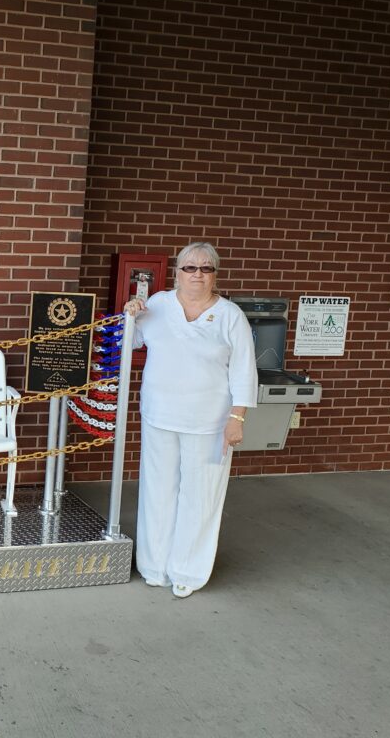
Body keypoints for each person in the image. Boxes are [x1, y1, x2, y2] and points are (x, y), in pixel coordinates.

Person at [123, 242, 257, 598]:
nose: (197, 274)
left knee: (200, 497)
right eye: (190, 267)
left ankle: (188, 571)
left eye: (206, 268)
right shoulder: (158, 305)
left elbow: (245, 370)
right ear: (177, 272)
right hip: (159, 415)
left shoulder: (230, 315)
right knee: (158, 491)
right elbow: (130, 341)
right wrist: (131, 313)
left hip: (210, 422)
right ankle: (154, 566)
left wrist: (237, 418)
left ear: (215, 274)